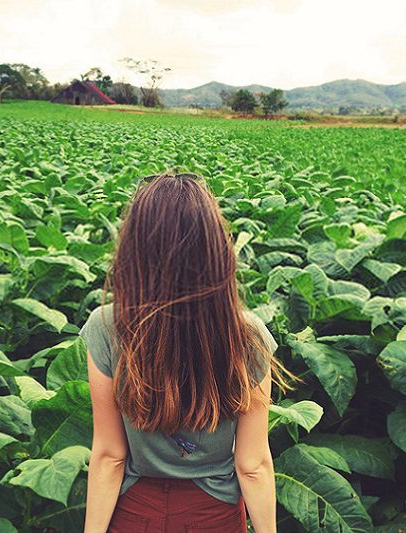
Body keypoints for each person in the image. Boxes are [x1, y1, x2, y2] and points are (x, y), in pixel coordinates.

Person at [80, 173, 290, 533]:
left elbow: (110, 456)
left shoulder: (106, 325)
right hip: (215, 515)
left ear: (134, 247)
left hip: (134, 512)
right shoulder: (247, 333)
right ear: (215, 250)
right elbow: (253, 465)